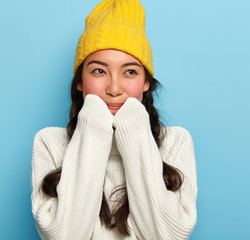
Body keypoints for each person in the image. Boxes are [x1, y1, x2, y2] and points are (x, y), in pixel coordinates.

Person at [30, 0, 198, 239]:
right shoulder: (49, 142)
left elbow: (167, 236)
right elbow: (64, 236)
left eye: (130, 72)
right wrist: (94, 128)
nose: (114, 88)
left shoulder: (175, 142)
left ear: (146, 83)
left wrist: (134, 129)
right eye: (99, 71)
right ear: (79, 81)